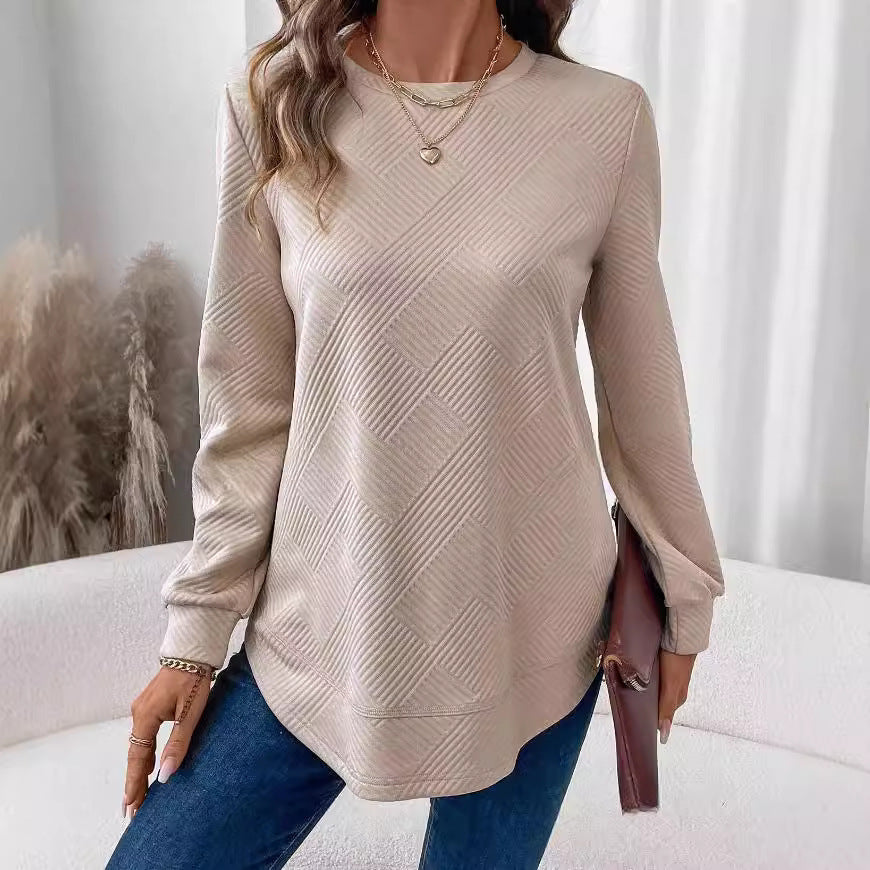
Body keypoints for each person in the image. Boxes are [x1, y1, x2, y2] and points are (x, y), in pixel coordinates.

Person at [107, 1, 725, 867]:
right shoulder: (273, 104)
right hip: (319, 628)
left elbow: (643, 395)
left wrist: (684, 598)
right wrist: (196, 634)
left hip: (532, 630)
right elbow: (247, 408)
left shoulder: (603, 120)